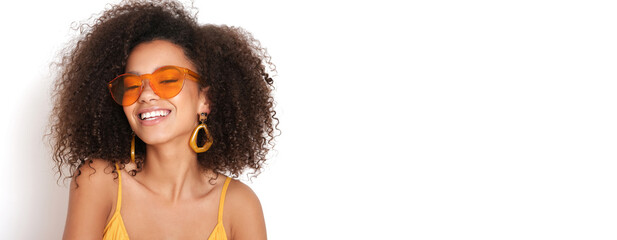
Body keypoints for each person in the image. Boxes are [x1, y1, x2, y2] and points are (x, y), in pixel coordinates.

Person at [49, 0, 278, 239]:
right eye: (132, 85)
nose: (146, 95)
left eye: (168, 80)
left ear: (205, 101)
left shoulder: (239, 205)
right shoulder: (98, 180)